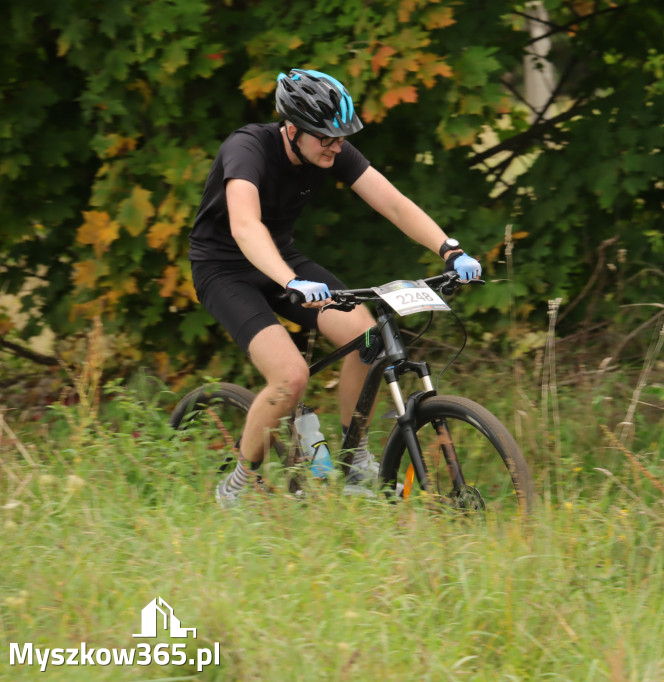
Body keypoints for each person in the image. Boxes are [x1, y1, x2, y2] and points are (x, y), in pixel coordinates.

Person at [188, 68, 481, 507]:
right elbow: (246, 226)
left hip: (284, 262)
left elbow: (394, 204)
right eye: (325, 137)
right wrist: (289, 281)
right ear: (292, 129)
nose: (336, 145)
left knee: (368, 339)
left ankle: (351, 458)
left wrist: (449, 249)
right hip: (224, 269)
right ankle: (236, 485)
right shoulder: (247, 148)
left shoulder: (329, 149)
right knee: (289, 378)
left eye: (341, 137)